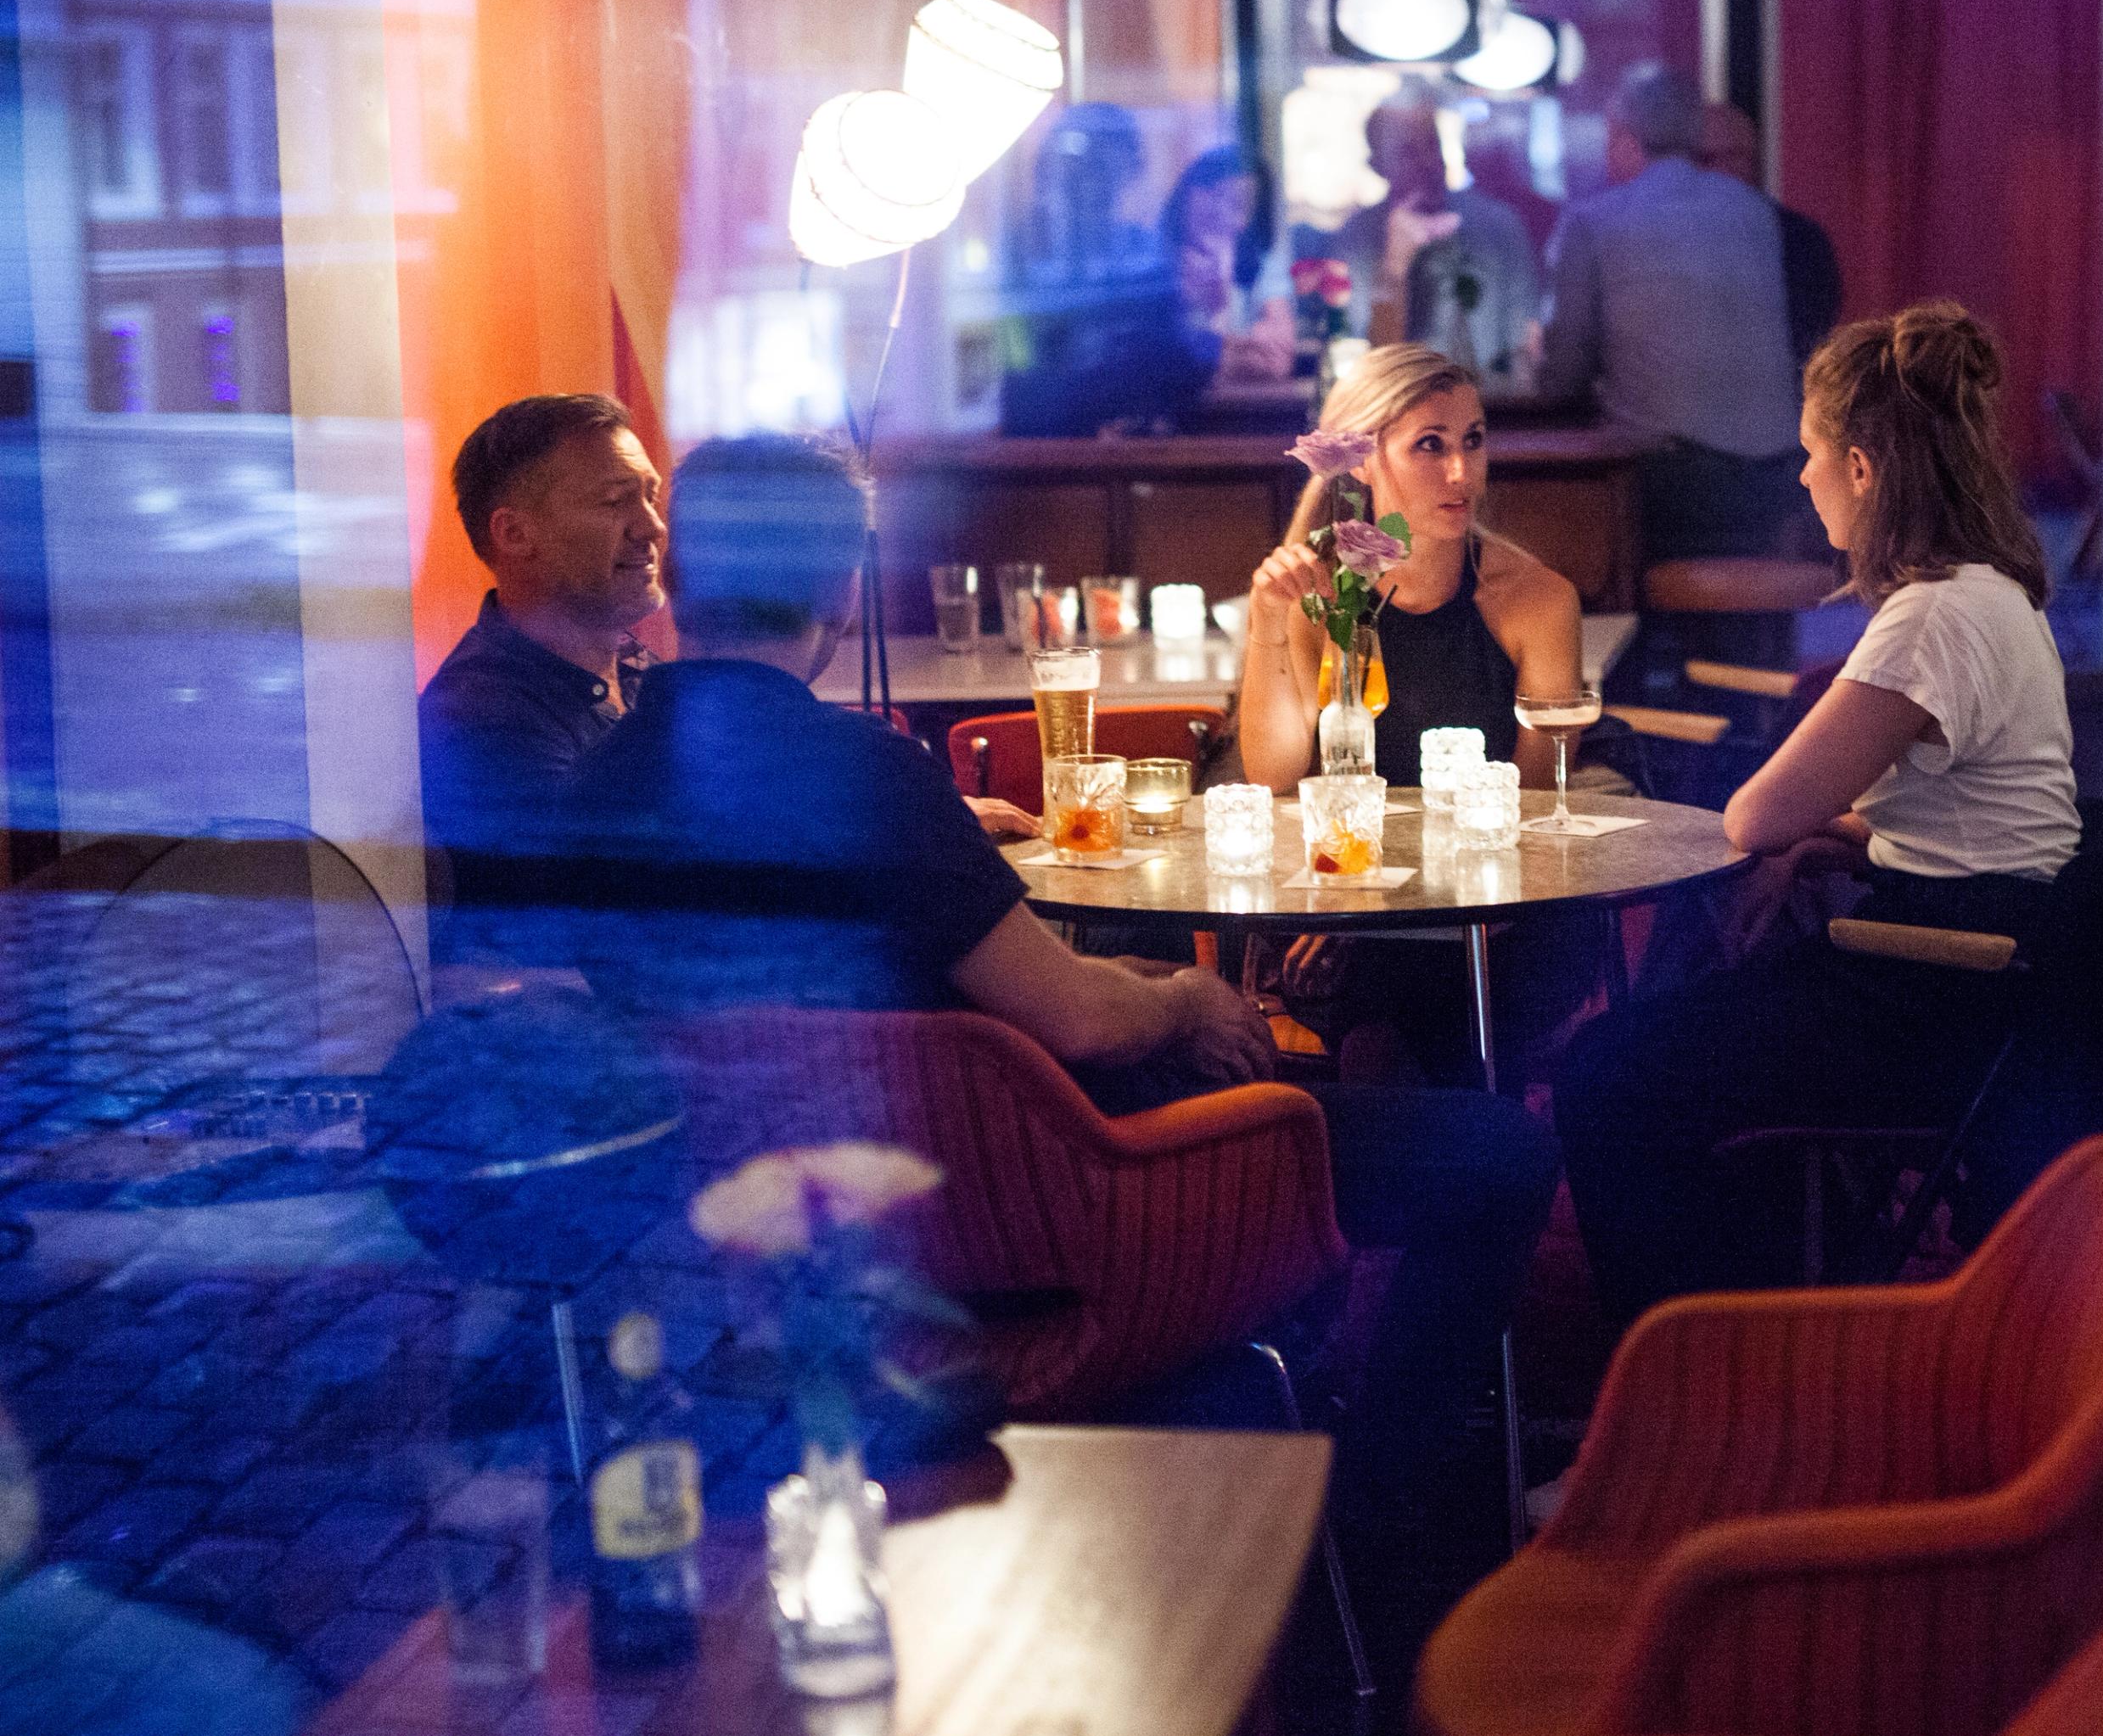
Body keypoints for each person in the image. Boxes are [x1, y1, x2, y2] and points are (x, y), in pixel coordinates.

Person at [558, 434, 1560, 1572]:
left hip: (765, 1249)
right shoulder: (865, 773)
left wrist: (1125, 988)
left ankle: (1264, 1424)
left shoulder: (597, 777)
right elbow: (1076, 1024)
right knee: (1497, 1154)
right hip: (1038, 1214)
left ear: (681, 575)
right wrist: (1184, 997)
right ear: (843, 583)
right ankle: (1380, 1516)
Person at [1552, 303, 2082, 1319]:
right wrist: (1827, 845)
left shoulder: (1926, 620)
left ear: (1865, 469)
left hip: (1930, 992)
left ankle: (1693, 1373)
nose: (1801, 478)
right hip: (1991, 965)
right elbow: (1971, 824)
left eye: (1811, 455)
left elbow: (1754, 817)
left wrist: (1793, 841)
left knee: (1605, 1076)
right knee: (1680, 1012)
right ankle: (1757, 1285)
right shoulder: (1992, 593)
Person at [1236, 343, 1582, 795]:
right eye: (1430, 445)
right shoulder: (1316, 594)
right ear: (1359, 462)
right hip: (1350, 856)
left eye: (1473, 440)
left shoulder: (1539, 600)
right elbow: (1271, 778)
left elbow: (1537, 799)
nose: (1461, 472)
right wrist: (1267, 623)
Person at [417, 393, 667, 963]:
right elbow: (613, 918)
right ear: (513, 535)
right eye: (614, 503)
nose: (651, 527)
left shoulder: (641, 672)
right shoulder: (483, 719)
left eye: (650, 497)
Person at [1530, 65, 1809, 560]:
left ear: (1622, 136)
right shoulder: (1759, 213)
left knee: (1557, 537)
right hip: (1779, 479)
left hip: (1672, 484)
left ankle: (1625, 635)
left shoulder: (1593, 221)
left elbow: (1563, 378)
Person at [1318, 87, 1541, 390]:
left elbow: (1525, 343)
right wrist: (1394, 269)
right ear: (1377, 165)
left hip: (1492, 411)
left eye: (1432, 145)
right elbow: (1358, 360)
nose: (1428, 162)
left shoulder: (1500, 228)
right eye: (1409, 151)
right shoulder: (1355, 240)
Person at [1001, 103, 1194, 434]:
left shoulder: (1146, 250)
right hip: (1043, 439)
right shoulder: (1025, 250)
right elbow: (1019, 357)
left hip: (1133, 440)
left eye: (1108, 168)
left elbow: (1169, 353)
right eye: (1083, 167)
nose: (1094, 182)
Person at [1699, 101, 1845, 367]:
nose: (1735, 168)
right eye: (1712, 158)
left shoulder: (1799, 240)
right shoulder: (1677, 240)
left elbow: (1809, 340)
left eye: (1745, 157)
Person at [1158, 143, 1298, 389]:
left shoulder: (1262, 267)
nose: (1220, 210)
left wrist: (1210, 350)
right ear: (1185, 195)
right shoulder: (1152, 266)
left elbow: (1277, 359)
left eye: (1237, 204)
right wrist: (1238, 346)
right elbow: (1157, 362)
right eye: (1212, 194)